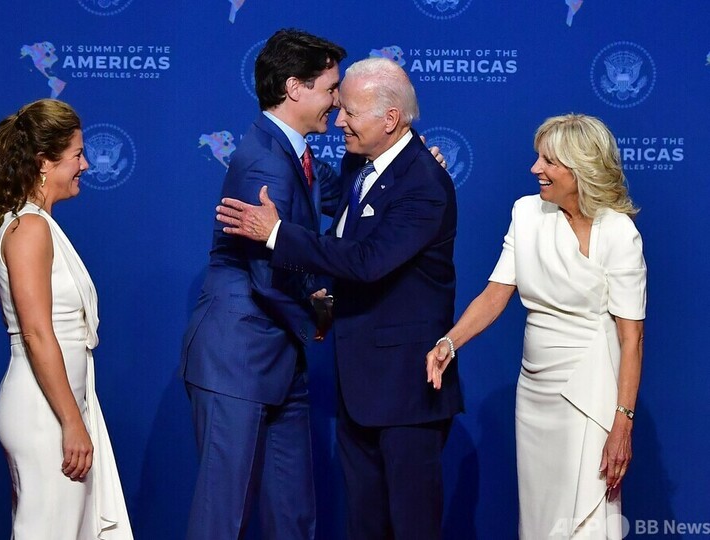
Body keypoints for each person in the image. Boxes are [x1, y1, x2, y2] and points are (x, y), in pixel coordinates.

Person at [216, 57, 462, 539]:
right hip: (360, 386)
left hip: (408, 389)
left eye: (350, 111)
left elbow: (368, 260)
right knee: (364, 526)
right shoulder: (360, 164)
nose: (339, 119)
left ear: (390, 119)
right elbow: (318, 197)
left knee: (412, 526)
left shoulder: (424, 184)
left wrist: (276, 234)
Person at [425, 114, 646, 539]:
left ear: (580, 168)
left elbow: (631, 337)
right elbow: (495, 294)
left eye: (548, 161)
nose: (535, 168)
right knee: (542, 514)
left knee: (586, 516)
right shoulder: (526, 213)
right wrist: (450, 343)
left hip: (592, 390)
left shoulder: (619, 232)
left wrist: (623, 422)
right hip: (535, 392)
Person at [179, 29, 346, 540]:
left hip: (279, 362)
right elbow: (268, 277)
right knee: (223, 520)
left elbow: (344, 190)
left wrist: (408, 161)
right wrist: (319, 319)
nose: (337, 103)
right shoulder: (264, 161)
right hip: (238, 362)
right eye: (330, 89)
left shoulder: (294, 153)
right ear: (295, 88)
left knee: (293, 516)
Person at [0, 99, 133, 539]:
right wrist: (71, 422)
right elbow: (35, 333)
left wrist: (77, 415)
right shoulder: (29, 228)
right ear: (45, 162)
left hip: (62, 405)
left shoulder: (35, 224)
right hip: (44, 413)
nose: (85, 165)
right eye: (77, 154)